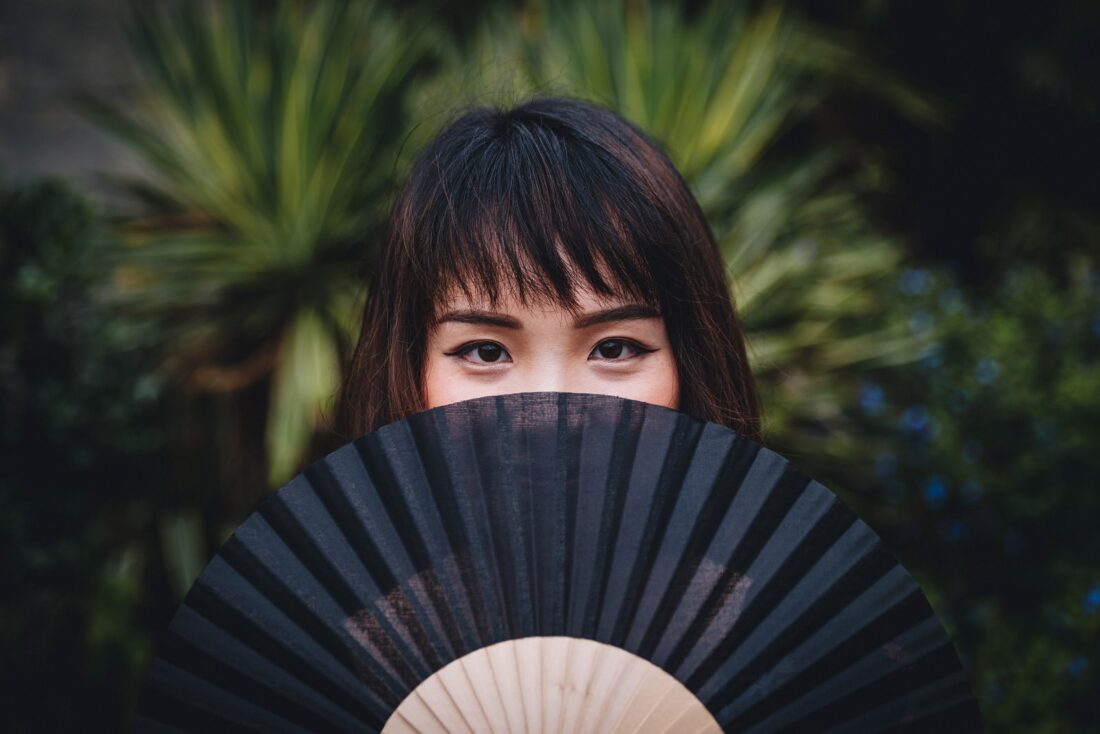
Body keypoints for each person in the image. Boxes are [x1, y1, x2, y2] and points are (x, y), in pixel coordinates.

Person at [337, 97, 762, 443]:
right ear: (407, 371)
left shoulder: (755, 551)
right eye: (486, 351)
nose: (550, 415)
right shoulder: (343, 552)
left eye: (613, 349)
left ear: (691, 366)